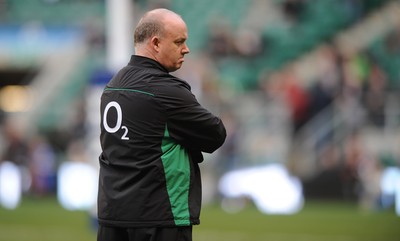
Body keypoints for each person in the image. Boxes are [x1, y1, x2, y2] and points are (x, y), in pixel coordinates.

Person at [97, 8, 227, 241]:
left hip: (113, 216)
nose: (186, 49)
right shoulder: (167, 91)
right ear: (156, 43)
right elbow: (216, 134)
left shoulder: (112, 86)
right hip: (158, 217)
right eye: (179, 42)